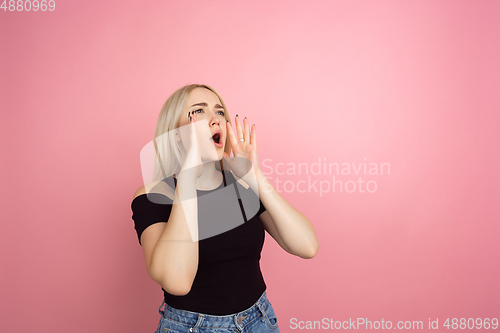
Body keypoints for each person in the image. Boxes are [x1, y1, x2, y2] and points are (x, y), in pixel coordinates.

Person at [131, 84, 319, 333]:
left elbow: (307, 246)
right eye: (199, 112)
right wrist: (187, 177)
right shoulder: (155, 195)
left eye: (220, 112)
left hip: (259, 321)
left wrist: (255, 176)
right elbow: (177, 282)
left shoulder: (242, 185)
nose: (214, 119)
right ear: (177, 133)